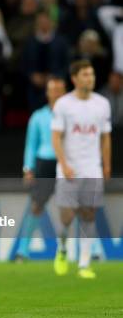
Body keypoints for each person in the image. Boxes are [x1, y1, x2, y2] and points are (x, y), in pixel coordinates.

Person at [52, 60, 111, 279]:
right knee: (66, 217)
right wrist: (64, 164)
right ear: (75, 78)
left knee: (89, 215)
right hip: (68, 169)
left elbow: (105, 137)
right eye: (86, 74)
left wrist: (106, 165)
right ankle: (63, 248)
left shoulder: (102, 104)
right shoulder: (63, 104)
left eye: (92, 74)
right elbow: (56, 137)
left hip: (92, 168)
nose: (90, 78)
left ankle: (84, 263)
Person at [17, 77, 67, 261]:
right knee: (37, 206)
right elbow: (31, 145)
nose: (56, 93)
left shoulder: (71, 116)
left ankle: (89, 251)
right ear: (47, 93)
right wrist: (27, 168)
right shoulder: (38, 116)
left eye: (60, 90)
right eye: (53, 90)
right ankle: (23, 251)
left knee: (75, 206)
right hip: (45, 163)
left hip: (66, 163)